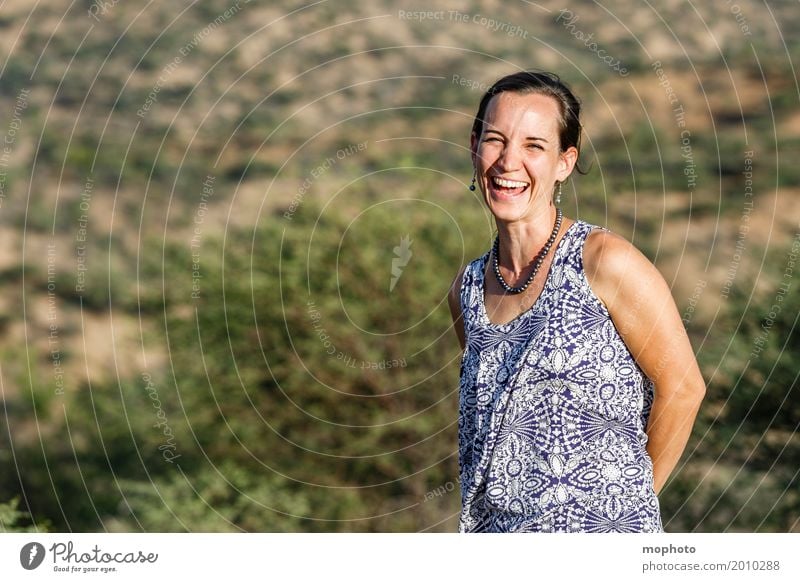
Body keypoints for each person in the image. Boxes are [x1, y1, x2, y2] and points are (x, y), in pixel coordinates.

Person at [448, 70, 706, 532]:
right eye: (495, 140)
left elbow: (684, 389)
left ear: (565, 162)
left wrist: (624, 509)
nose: (508, 162)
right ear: (474, 148)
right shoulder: (466, 290)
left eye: (533, 145)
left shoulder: (605, 262)